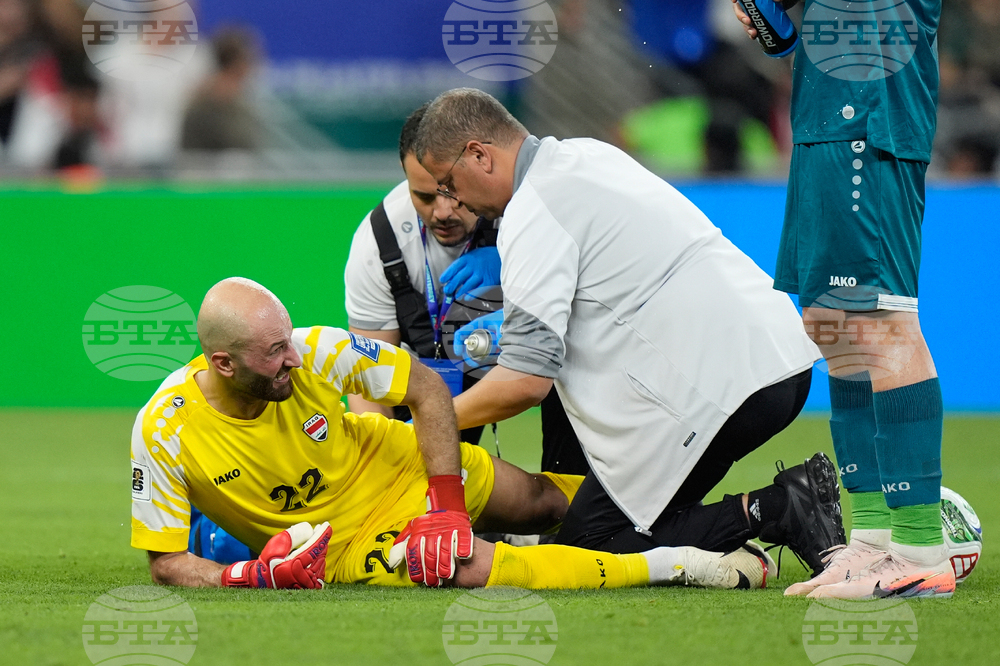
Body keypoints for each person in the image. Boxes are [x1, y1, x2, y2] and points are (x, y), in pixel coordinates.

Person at [413, 88, 844, 579]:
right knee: (622, 524)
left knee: (590, 547)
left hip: (719, 387)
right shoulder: (587, 154)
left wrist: (427, 423)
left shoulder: (533, 211)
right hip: (779, 357)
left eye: (449, 183)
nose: (453, 201)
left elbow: (524, 381)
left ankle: (781, 505)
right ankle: (763, 515)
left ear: (478, 155)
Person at [132, 277, 772, 590]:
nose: (293, 359)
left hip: (401, 464)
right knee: (472, 567)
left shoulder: (316, 349)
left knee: (556, 503)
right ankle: (680, 565)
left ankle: (757, 512)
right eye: (274, 352)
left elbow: (426, 389)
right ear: (224, 363)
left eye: (288, 340)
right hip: (349, 541)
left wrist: (443, 505)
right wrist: (244, 577)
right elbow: (166, 563)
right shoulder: (162, 431)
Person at [732, 0, 955, 598]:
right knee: (832, 325)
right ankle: (873, 541)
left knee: (881, 323)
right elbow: (782, 35)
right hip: (823, 114)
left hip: (871, 111)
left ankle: (918, 547)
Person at [345, 103, 589, 474]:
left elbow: (593, 303)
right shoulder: (377, 242)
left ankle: (570, 499)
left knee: (575, 366)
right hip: (432, 373)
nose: (442, 211)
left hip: (536, 363)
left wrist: (508, 263)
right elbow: (366, 376)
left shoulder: (528, 208)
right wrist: (387, 461)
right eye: (424, 196)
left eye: (451, 191)